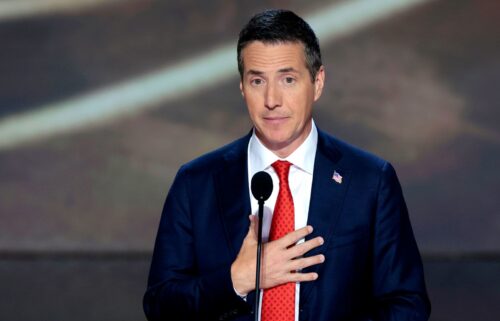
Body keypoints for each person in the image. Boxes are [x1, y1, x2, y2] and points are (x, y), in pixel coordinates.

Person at [143, 9, 430, 321]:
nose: (271, 99)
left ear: (317, 82)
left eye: (288, 79)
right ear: (242, 87)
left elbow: (407, 305)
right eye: (257, 81)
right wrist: (236, 280)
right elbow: (161, 306)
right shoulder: (195, 183)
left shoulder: (370, 180)